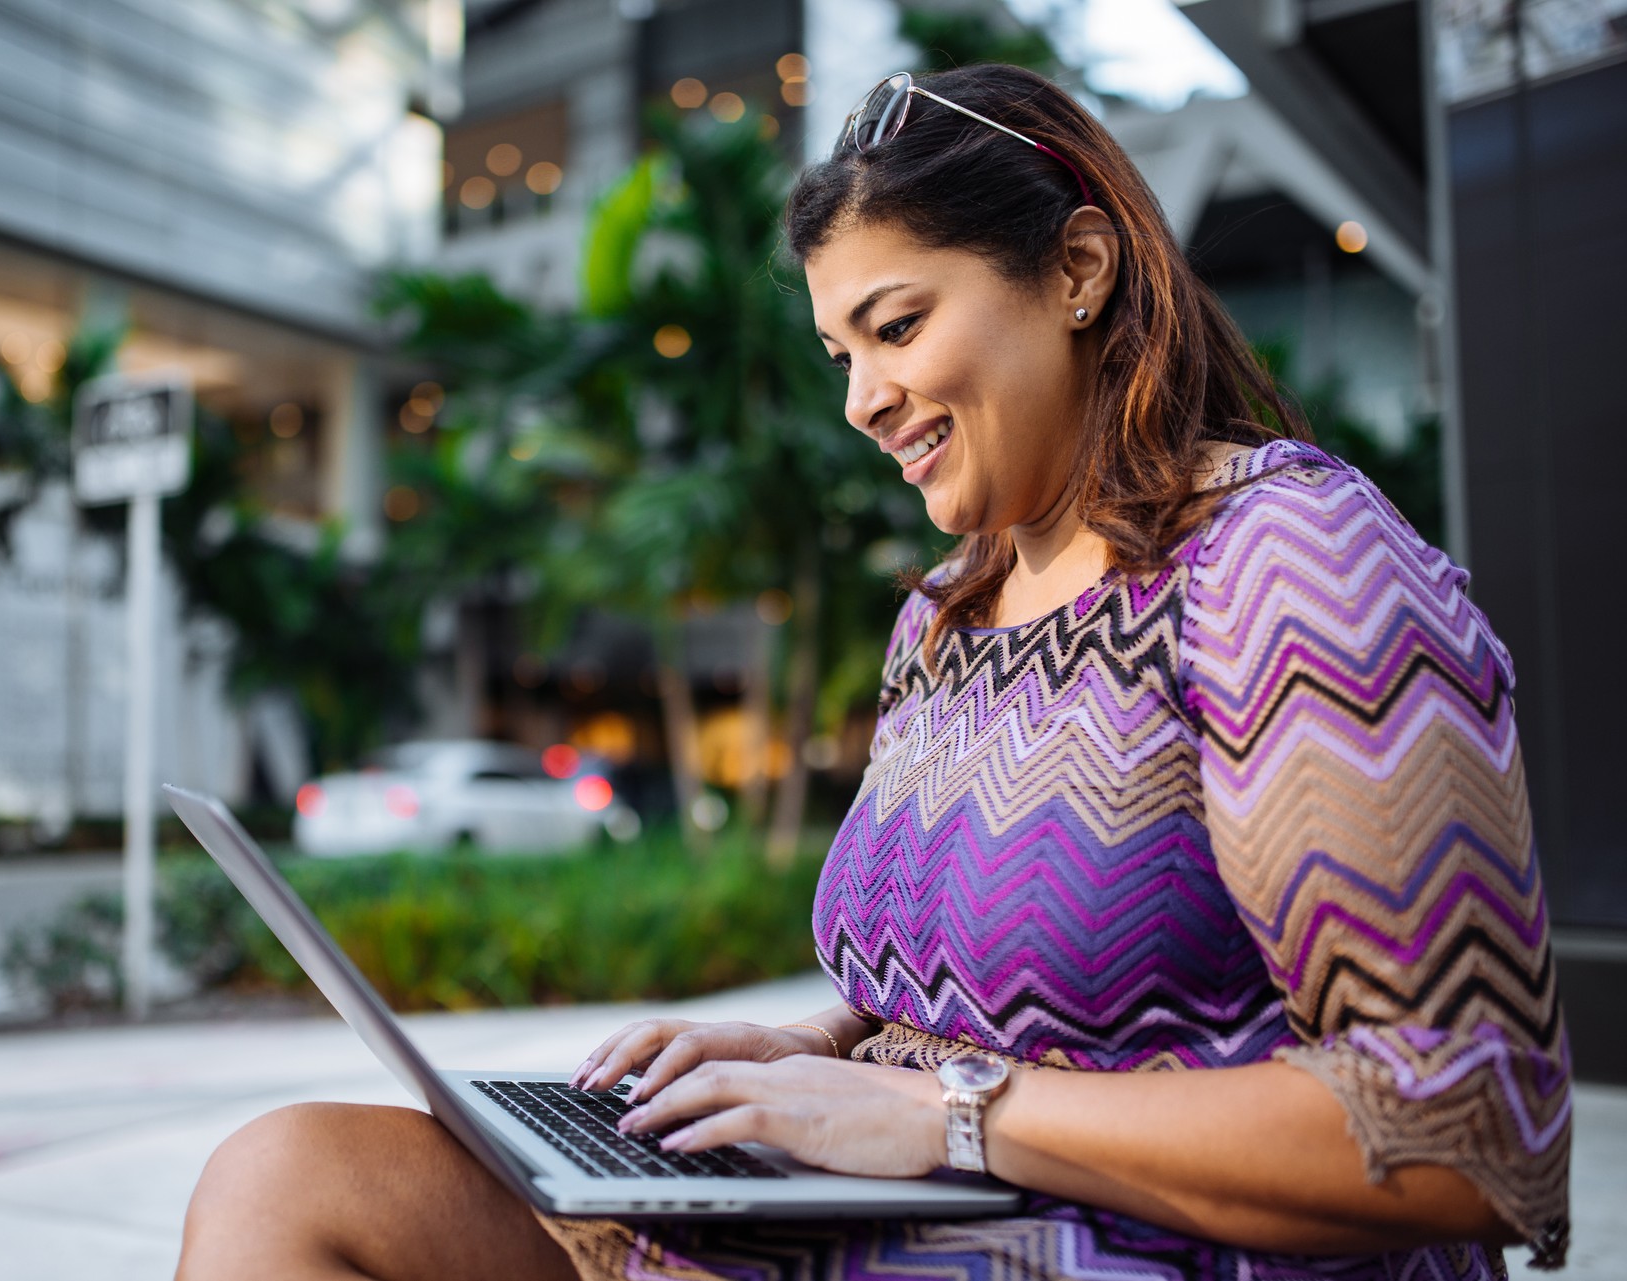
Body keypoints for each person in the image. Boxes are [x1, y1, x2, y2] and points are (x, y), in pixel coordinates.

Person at [174, 65, 1569, 1280]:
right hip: (888, 1215)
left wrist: (953, 1110)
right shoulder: (947, 617)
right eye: (841, 350)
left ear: (1079, 271)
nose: (860, 399)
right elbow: (970, 978)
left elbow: (1467, 1129)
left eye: (898, 328)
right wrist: (813, 1049)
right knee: (288, 1180)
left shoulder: (1279, 558)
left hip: (1143, 1246)